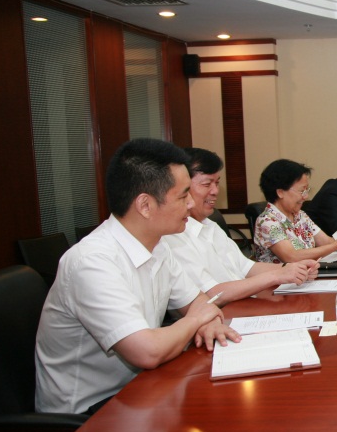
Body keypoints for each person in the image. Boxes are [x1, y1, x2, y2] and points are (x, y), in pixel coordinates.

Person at [35, 139, 240, 414]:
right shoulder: (92, 261)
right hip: (89, 412)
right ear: (145, 205)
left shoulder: (159, 245)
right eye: (183, 197)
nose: (191, 204)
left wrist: (208, 322)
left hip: (142, 389)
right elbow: (147, 351)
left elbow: (200, 302)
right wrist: (196, 320)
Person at [163, 148, 320, 305]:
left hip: (243, 304)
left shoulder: (211, 226)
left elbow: (247, 267)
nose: (215, 191)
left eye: (217, 183)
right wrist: (278, 275)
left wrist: (294, 269)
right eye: (207, 184)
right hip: (225, 311)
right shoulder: (175, 235)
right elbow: (212, 295)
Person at [253, 158, 337, 264]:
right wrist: (336, 245)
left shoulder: (300, 215)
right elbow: (291, 257)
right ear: (280, 192)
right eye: (301, 191)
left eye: (306, 190)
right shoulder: (267, 221)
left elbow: (326, 242)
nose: (306, 196)